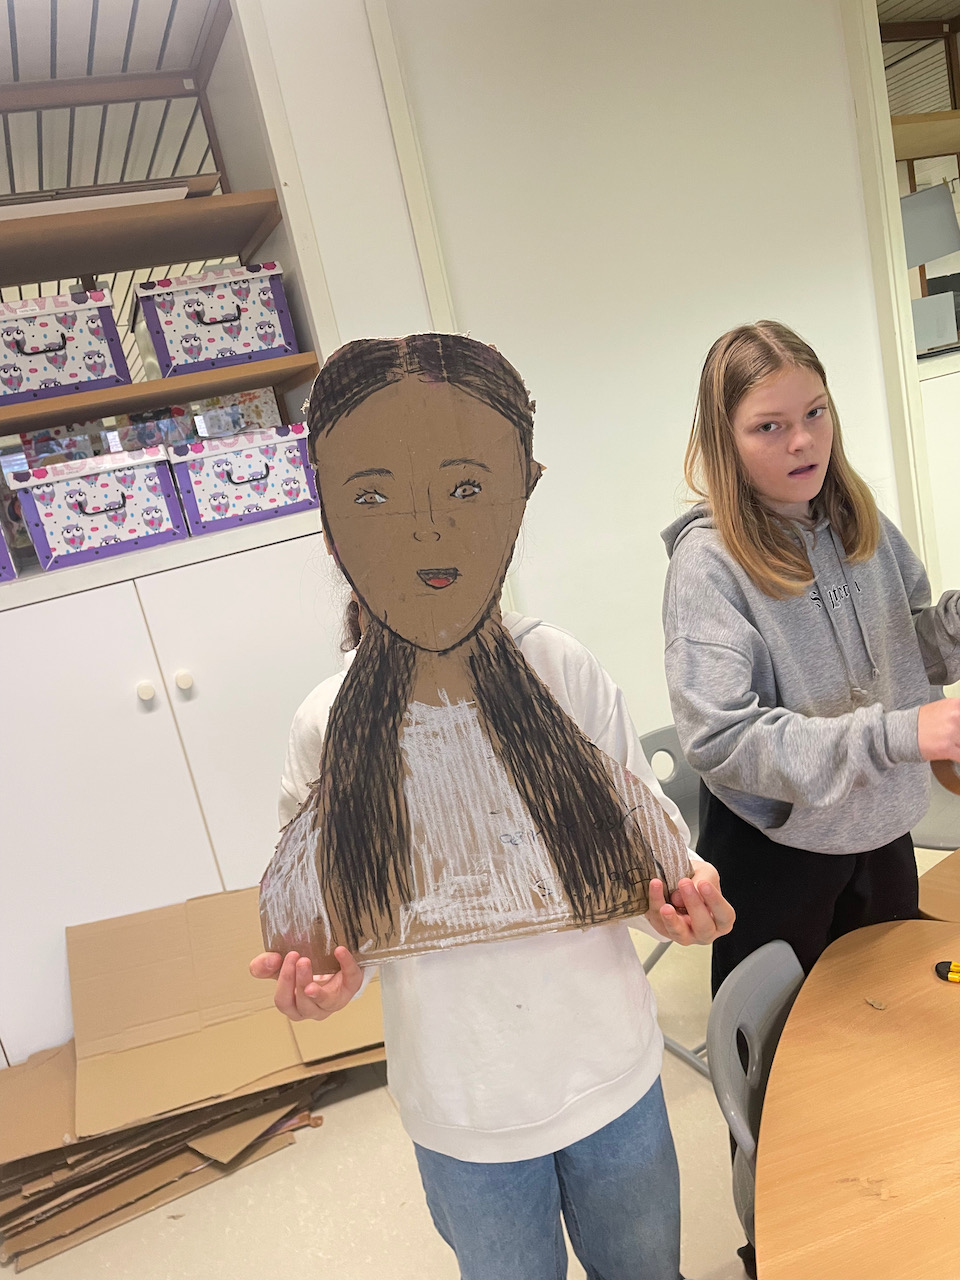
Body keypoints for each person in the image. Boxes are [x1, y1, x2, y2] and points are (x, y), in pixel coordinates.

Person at [251, 333, 735, 1280]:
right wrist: (331, 982)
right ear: (334, 524)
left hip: (611, 1077)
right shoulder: (326, 727)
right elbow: (336, 930)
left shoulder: (563, 669)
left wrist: (684, 904)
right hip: (463, 1113)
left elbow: (647, 862)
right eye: (375, 497)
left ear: (518, 496)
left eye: (466, 488)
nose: (427, 532)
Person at [663, 319, 960, 993]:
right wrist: (901, 733)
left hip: (881, 826)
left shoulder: (860, 520)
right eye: (768, 426)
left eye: (815, 413)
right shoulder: (707, 565)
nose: (802, 441)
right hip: (778, 853)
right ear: (725, 441)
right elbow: (722, 739)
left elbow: (907, 649)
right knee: (789, 1045)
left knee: (890, 1014)